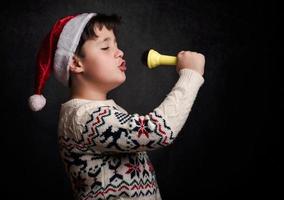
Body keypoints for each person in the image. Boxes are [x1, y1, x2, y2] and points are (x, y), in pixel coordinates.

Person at [28, 12, 205, 200]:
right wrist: (191, 75)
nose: (119, 52)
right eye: (105, 47)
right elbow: (159, 131)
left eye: (116, 45)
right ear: (75, 63)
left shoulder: (95, 112)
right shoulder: (85, 117)